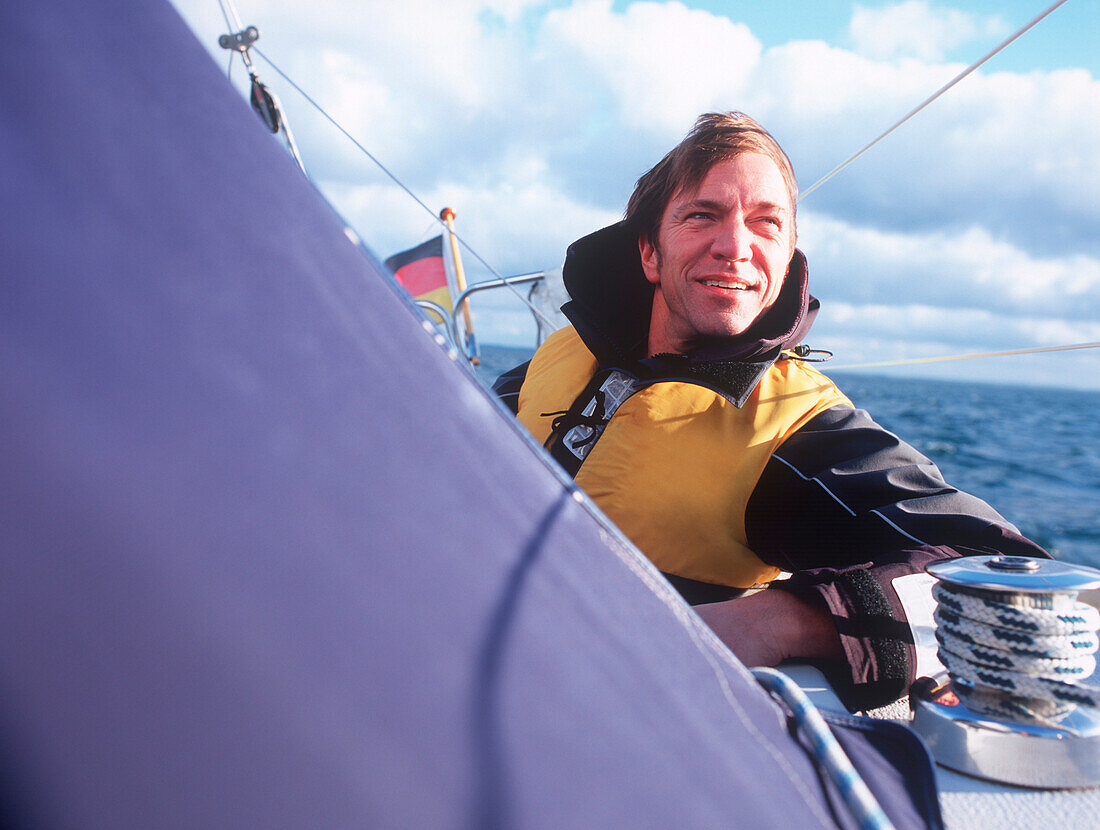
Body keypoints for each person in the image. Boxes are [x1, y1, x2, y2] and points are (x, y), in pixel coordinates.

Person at [493, 112, 1048, 711]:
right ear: (650, 253)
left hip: (601, 705)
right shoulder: (567, 351)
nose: (735, 247)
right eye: (703, 215)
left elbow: (1014, 585)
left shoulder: (797, 431)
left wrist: (781, 621)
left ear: (785, 262)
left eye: (767, 223)